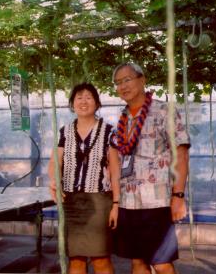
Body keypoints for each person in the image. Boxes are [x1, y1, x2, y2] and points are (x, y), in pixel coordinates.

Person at [111, 62, 190, 274]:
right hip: (129, 201)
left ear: (142, 79)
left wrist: (179, 196)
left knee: (161, 262)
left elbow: (181, 154)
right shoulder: (122, 118)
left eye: (127, 80)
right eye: (118, 83)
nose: (122, 86)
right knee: (137, 261)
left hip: (157, 201)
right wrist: (116, 203)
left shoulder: (164, 111)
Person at [48, 82, 120, 274]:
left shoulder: (109, 131)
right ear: (72, 104)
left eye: (89, 97)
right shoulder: (65, 131)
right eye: (79, 98)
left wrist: (116, 203)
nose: (83, 101)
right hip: (70, 202)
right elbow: (55, 162)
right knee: (76, 259)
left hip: (99, 202)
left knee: (101, 259)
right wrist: (54, 181)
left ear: (97, 104)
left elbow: (115, 169)